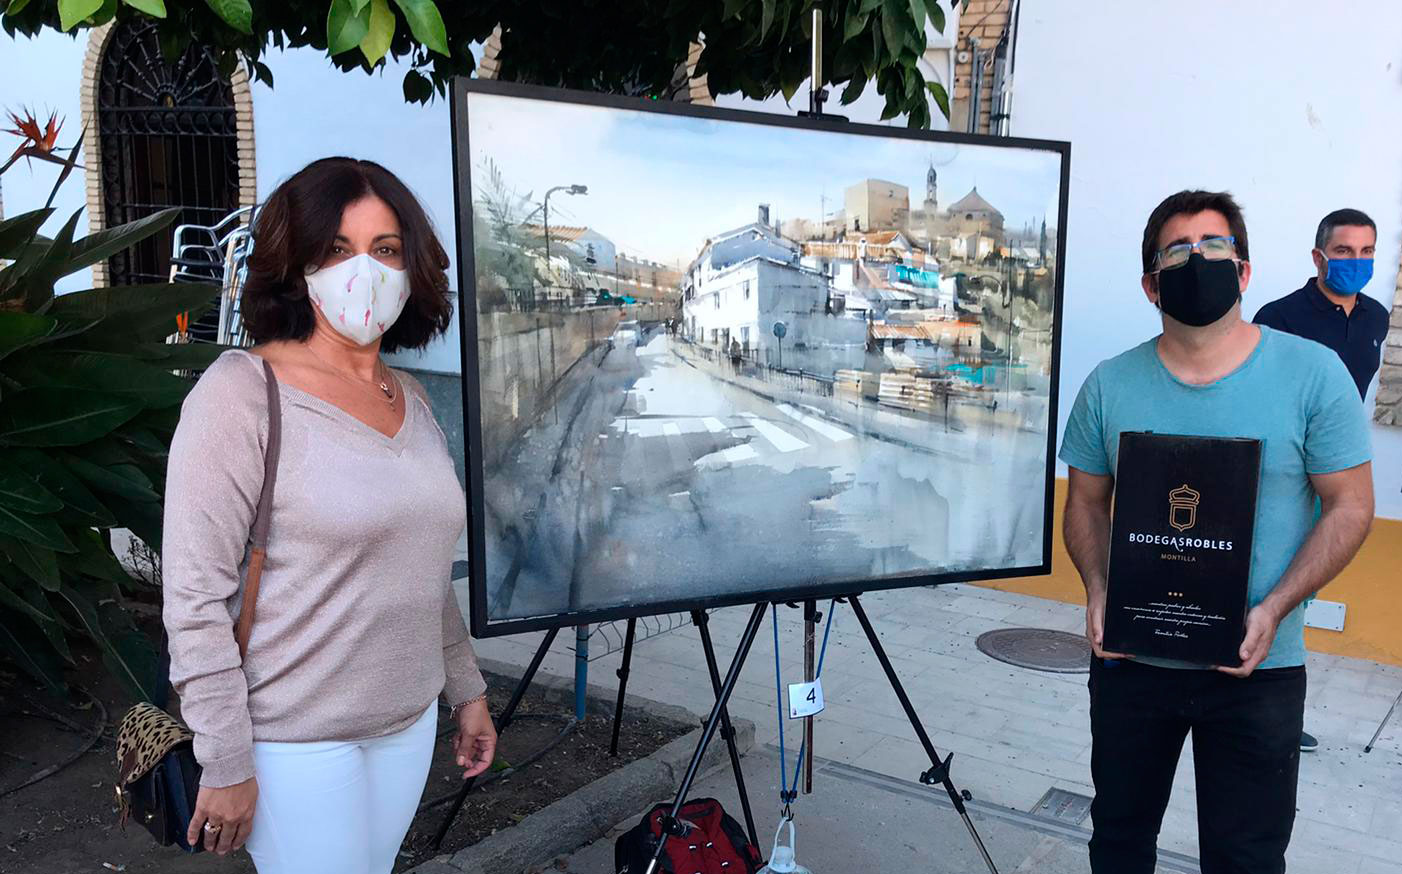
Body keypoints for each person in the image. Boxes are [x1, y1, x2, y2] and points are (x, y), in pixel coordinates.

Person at [162, 157, 498, 873]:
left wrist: (465, 690)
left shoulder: (409, 396)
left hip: (405, 726)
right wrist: (223, 759)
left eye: (385, 250)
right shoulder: (240, 395)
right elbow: (194, 599)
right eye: (337, 249)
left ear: (413, 269)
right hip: (293, 741)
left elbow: (422, 569)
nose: (363, 272)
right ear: (297, 262)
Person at [1060, 190, 1374, 873]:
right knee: (1117, 840)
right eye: (1177, 250)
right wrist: (1097, 589)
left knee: (1245, 858)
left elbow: (1350, 506)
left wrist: (1275, 608)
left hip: (1256, 665)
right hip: (1131, 662)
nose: (1197, 260)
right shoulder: (1109, 385)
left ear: (1246, 271)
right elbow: (1084, 504)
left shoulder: (1313, 376)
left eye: (1214, 246)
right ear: (1151, 283)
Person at [1252, 207, 1386, 753]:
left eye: (1367, 252)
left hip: (1333, 479)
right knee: (1266, 581)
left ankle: (1279, 711)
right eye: (1345, 251)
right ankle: (1239, 695)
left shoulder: (1376, 318)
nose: (1356, 262)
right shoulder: (1278, 316)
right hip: (1276, 475)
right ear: (1318, 256)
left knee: (1301, 591)